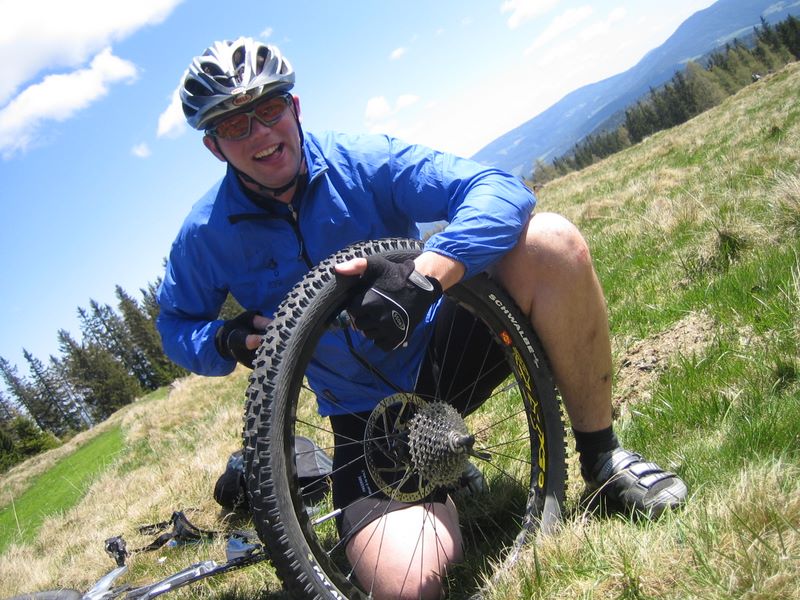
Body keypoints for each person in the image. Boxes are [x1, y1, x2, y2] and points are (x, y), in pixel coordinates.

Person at [157, 38, 687, 599]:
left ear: (295, 107)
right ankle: (438, 474)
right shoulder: (206, 234)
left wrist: (425, 276)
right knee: (407, 589)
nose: (260, 133)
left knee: (551, 243)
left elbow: (498, 191)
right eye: (234, 124)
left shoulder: (364, 160)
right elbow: (176, 325)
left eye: (269, 108)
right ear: (214, 146)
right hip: (365, 419)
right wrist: (225, 339)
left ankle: (602, 458)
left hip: (442, 356)